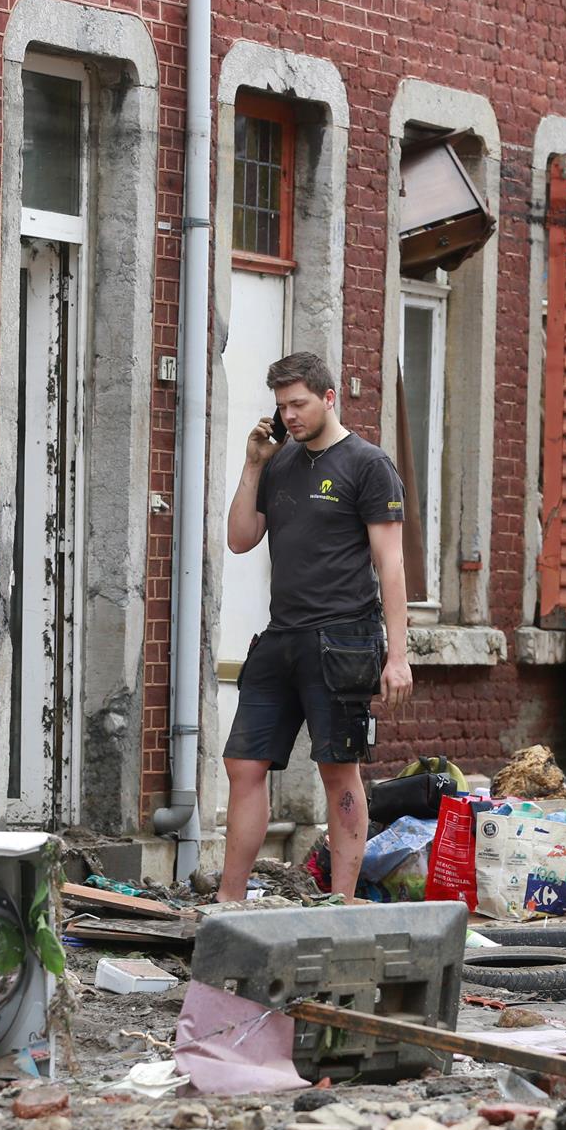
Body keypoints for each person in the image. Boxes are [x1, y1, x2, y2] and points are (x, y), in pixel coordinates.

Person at [219, 352, 413, 902]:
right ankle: (229, 902)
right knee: (244, 763)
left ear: (329, 398)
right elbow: (239, 538)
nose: (290, 416)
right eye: (281, 406)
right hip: (282, 636)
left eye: (299, 404)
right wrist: (254, 463)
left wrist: (396, 656)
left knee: (337, 768)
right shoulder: (279, 461)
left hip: (344, 639)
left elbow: (391, 564)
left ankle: (344, 901)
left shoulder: (367, 464)